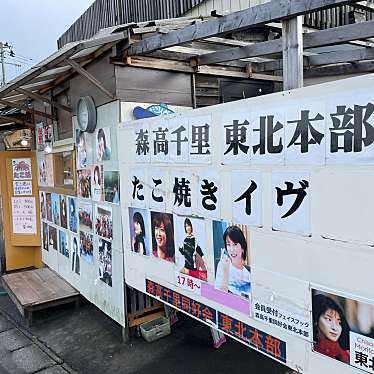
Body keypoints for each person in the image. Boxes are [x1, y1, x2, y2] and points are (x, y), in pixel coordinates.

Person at [214, 225, 251, 299]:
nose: (231, 249)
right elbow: (219, 296)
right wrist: (225, 270)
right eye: (228, 244)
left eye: (235, 244)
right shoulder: (222, 265)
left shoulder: (248, 273)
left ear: (242, 247)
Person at [312, 294, 350, 364]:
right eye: (329, 319)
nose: (334, 328)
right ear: (316, 319)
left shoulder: (344, 353)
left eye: (339, 322)